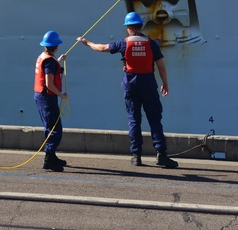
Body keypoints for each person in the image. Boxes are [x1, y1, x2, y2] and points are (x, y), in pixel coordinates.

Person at [77, 12, 179, 168]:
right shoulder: (151, 44)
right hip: (148, 83)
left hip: (131, 83)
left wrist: (86, 42)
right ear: (141, 26)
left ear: (130, 28)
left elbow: (102, 48)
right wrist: (165, 83)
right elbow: (161, 67)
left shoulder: (123, 44)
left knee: (134, 119)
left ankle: (136, 155)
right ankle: (161, 155)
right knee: (154, 119)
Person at [34, 31, 68, 171]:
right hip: (47, 98)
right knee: (55, 129)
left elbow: (49, 68)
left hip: (41, 97)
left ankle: (52, 155)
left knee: (49, 127)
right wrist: (61, 95)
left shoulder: (44, 57)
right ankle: (48, 159)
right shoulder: (49, 61)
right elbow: (49, 84)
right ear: (56, 46)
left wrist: (58, 61)